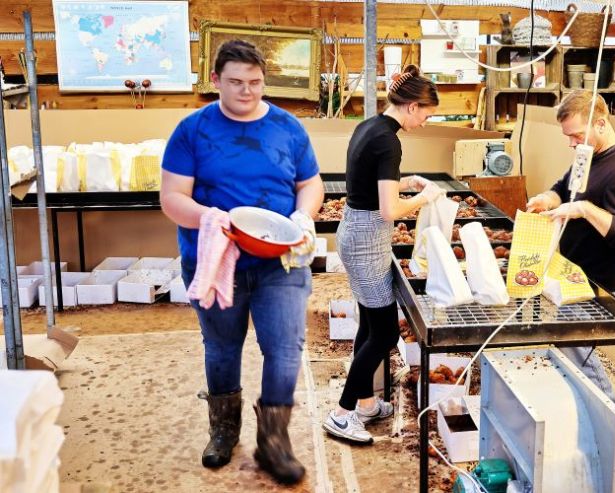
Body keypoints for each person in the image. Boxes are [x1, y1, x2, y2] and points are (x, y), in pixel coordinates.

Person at [159, 40, 323, 485]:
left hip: (280, 260)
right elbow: (172, 199)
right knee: (222, 347)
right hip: (216, 259)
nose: (246, 91)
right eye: (235, 82)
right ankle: (223, 430)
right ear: (215, 80)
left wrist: (303, 215)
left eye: (255, 82)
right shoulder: (192, 131)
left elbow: (310, 183)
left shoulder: (288, 128)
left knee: (285, 348)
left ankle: (274, 441)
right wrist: (213, 220)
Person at [322, 65, 445, 443]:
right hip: (367, 240)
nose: (425, 122)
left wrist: (407, 182)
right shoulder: (390, 141)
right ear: (412, 106)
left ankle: (366, 405)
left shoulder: (370, 127)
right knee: (386, 332)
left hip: (356, 231)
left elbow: (368, 183)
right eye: (426, 114)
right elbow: (390, 210)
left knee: (371, 326)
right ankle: (342, 414)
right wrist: (425, 197)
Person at [526, 90, 615, 401]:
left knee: (577, 352)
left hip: (600, 281)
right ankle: (588, 409)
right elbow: (563, 188)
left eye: (577, 135)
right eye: (568, 136)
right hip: (574, 274)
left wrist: (584, 209)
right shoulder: (588, 154)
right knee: (570, 349)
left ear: (601, 123)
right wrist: (546, 200)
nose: (572, 143)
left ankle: (611, 415)